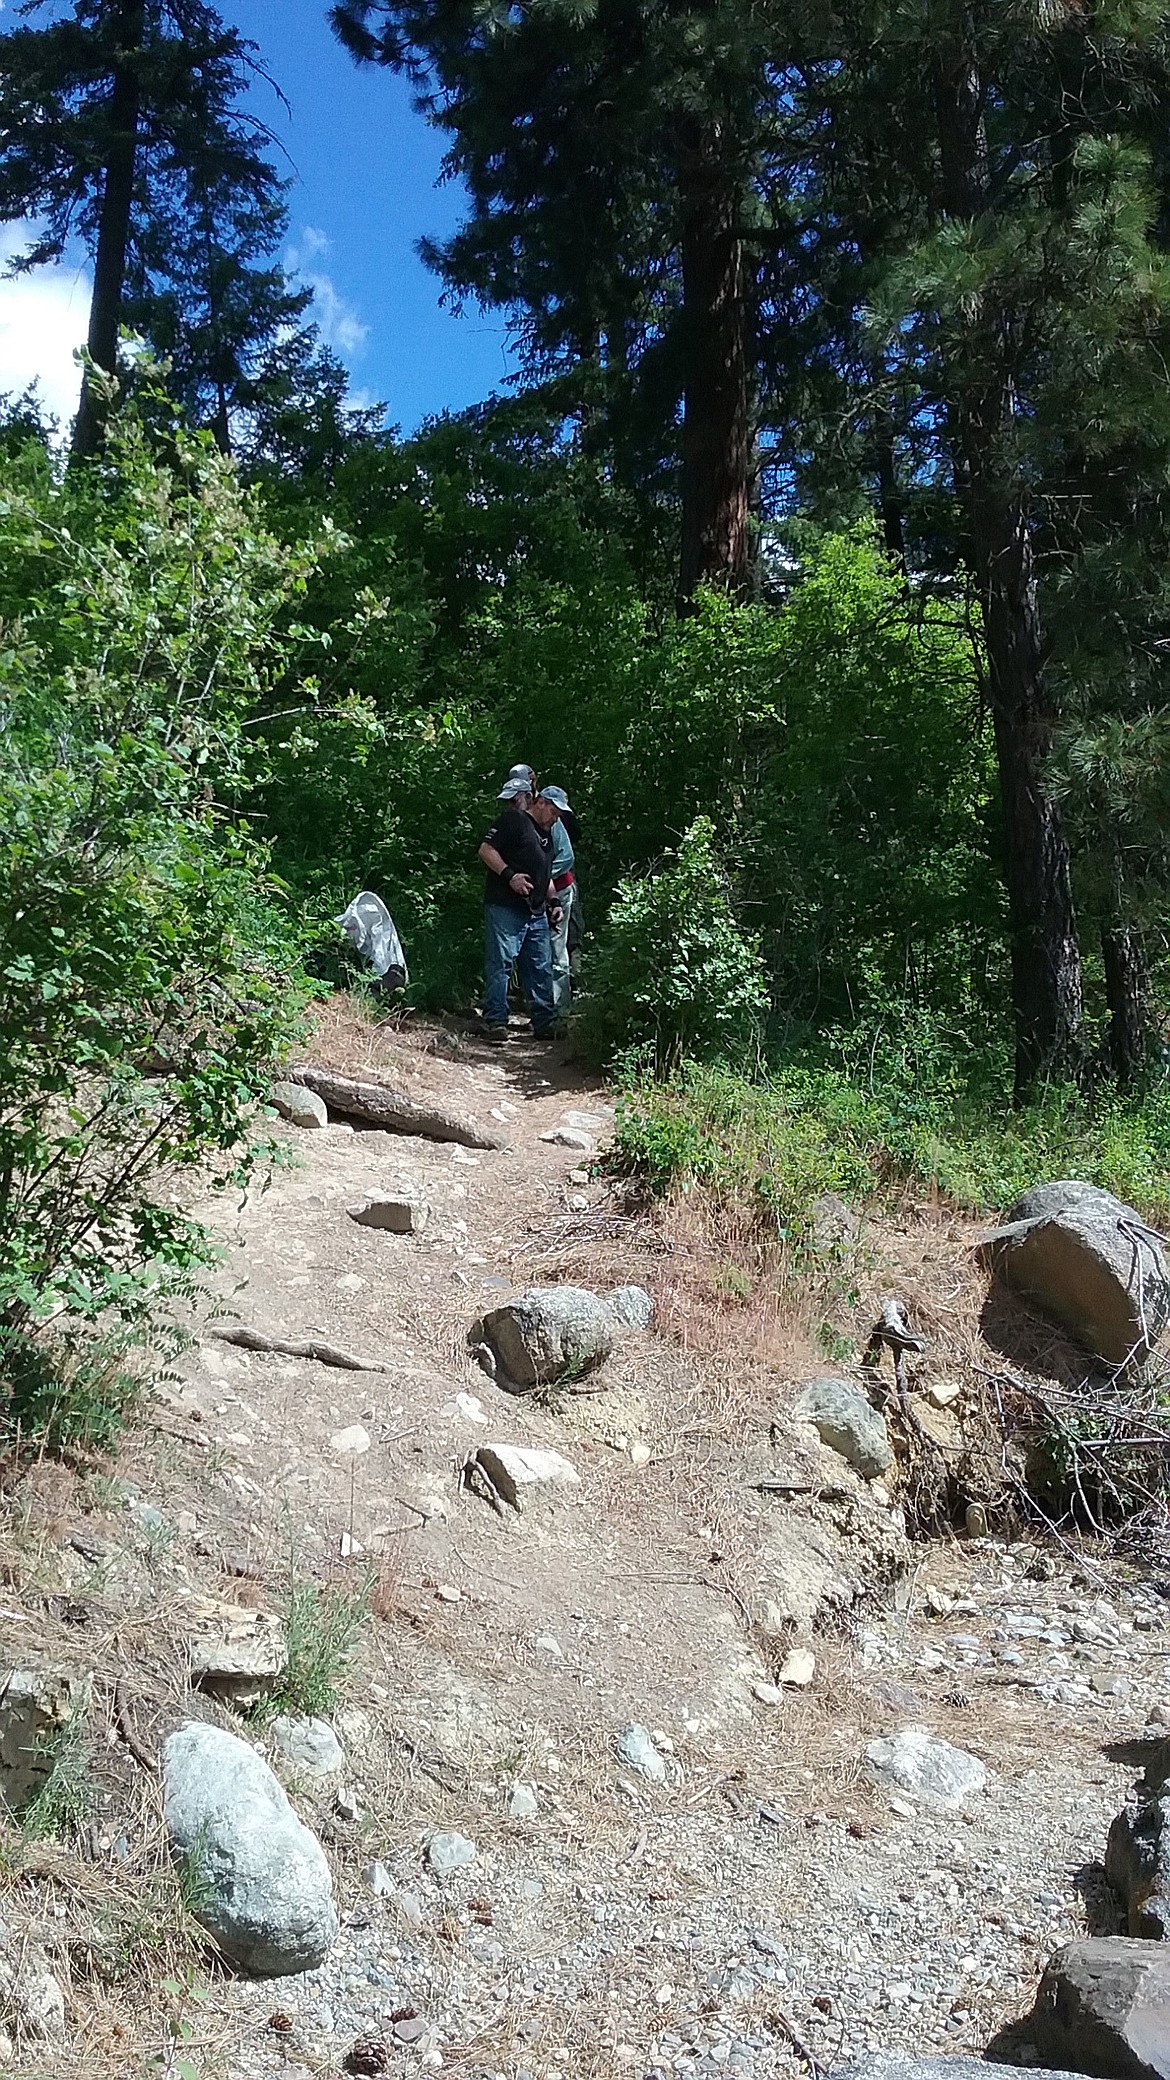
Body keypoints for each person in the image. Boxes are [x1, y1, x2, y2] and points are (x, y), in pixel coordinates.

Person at [477, 777, 564, 1043]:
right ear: (540, 803)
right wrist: (510, 875)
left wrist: (554, 902)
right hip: (505, 906)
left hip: (536, 911)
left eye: (560, 814)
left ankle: (544, 1023)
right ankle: (496, 1022)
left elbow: (544, 874)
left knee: (540, 967)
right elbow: (486, 850)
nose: (556, 818)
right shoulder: (513, 821)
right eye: (554, 811)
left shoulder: (547, 835)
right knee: (501, 964)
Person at [538, 785, 576, 1015]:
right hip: (536, 894)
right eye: (555, 811)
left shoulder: (555, 825)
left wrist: (542, 876)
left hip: (559, 891)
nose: (556, 817)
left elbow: (567, 857)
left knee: (556, 948)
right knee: (538, 949)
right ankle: (542, 1008)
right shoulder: (526, 820)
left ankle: (560, 1010)